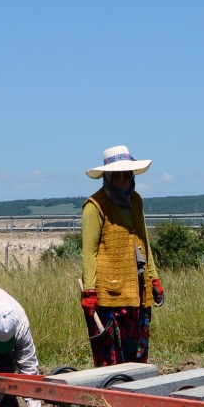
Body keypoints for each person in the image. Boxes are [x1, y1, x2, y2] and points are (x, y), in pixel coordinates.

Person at [79, 144, 164, 367]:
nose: (122, 179)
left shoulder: (136, 201)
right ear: (107, 177)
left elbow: (144, 242)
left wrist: (154, 279)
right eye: (116, 175)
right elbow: (89, 251)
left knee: (137, 352)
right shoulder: (95, 205)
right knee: (111, 354)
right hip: (109, 293)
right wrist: (89, 290)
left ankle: (135, 393)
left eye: (126, 174)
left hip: (138, 289)